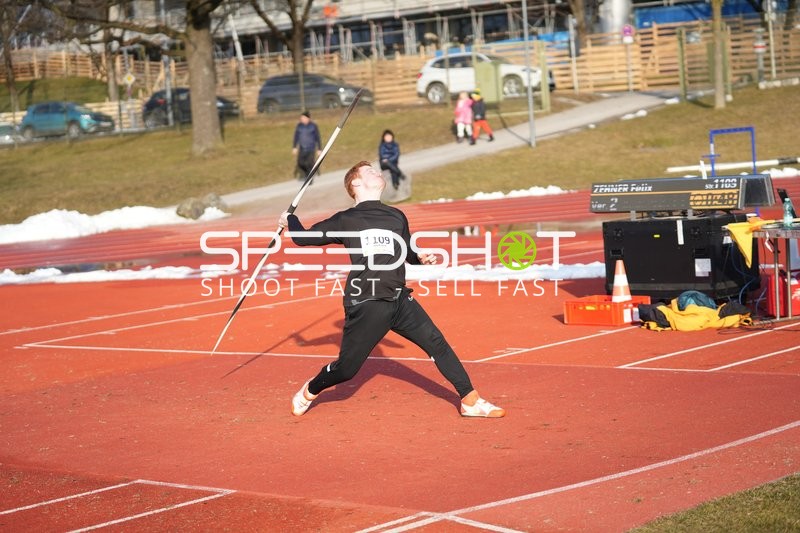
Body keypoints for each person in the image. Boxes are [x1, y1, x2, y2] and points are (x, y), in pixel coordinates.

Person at [278, 161, 506, 418]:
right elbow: (303, 237)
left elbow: (406, 251)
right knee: (346, 370)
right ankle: (310, 389)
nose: (377, 172)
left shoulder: (395, 216)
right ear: (355, 183)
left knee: (437, 343)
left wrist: (420, 257)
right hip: (367, 299)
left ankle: (470, 401)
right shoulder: (346, 219)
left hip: (399, 299)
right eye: (370, 171)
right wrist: (290, 220)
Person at [292, 111, 321, 180]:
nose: (302, 119)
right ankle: (308, 173)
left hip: (311, 148)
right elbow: (296, 137)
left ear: (308, 118)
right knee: (300, 163)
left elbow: (318, 137)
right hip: (302, 148)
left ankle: (309, 178)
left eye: (304, 118)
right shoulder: (299, 126)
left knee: (308, 163)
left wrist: (319, 148)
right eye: (301, 118)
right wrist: (294, 147)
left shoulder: (313, 126)